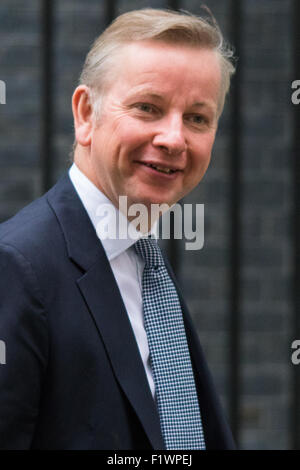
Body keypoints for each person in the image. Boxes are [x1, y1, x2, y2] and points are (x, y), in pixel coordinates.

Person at [0, 8, 235, 450]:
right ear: (86, 114)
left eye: (198, 118)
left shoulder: (142, 259)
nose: (174, 138)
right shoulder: (17, 267)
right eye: (148, 108)